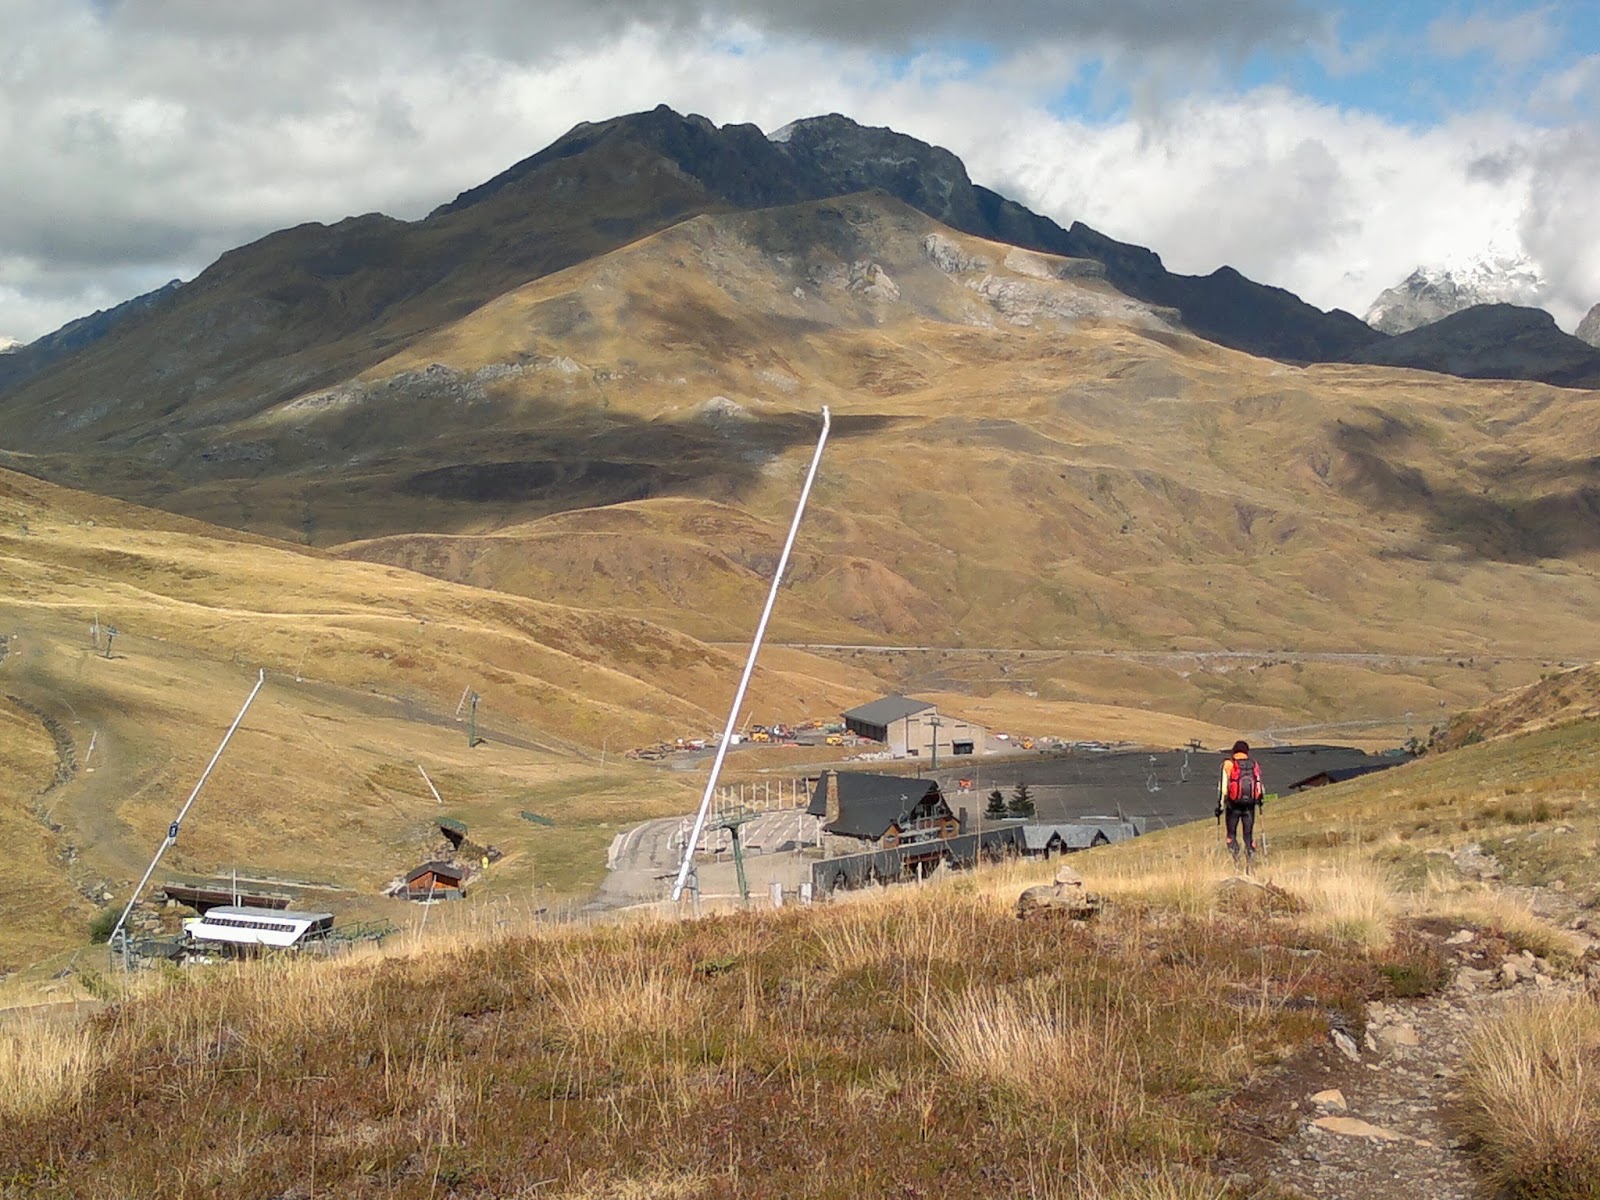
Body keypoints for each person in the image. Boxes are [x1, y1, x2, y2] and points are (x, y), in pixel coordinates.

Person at [1216, 739, 1264, 867]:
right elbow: (1259, 785)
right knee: (1248, 835)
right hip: (1250, 806)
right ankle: (1250, 863)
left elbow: (1223, 788)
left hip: (1233, 806)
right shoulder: (1254, 764)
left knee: (1231, 834)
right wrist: (1259, 801)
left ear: (1234, 751)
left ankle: (1236, 860)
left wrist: (1220, 807)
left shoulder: (1228, 764)